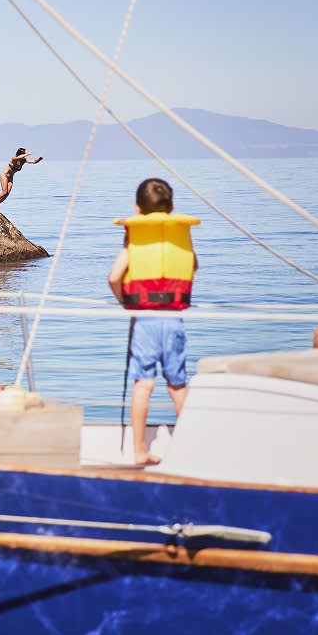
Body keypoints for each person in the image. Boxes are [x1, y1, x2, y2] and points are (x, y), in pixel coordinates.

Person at [108, 178, 198, 466]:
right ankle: (190, 450)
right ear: (171, 207)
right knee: (178, 385)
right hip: (173, 320)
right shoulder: (179, 238)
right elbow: (193, 265)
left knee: (143, 385)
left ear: (137, 209)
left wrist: (125, 302)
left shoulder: (134, 240)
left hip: (145, 320)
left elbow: (114, 277)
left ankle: (139, 450)